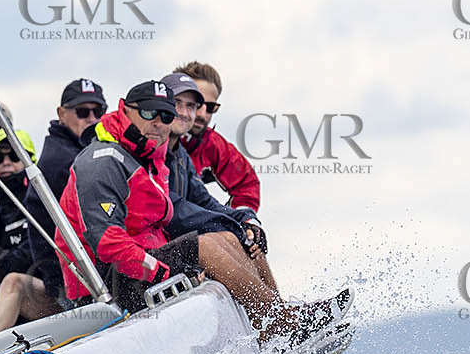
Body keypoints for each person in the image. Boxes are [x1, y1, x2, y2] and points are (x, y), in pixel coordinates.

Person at [55, 81, 301, 338]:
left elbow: (191, 208)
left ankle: (278, 327)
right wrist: (166, 272)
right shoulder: (103, 161)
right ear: (126, 110)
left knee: (231, 237)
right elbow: (108, 243)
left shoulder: (149, 160)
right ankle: (282, 325)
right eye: (148, 113)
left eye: (165, 116)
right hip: (104, 287)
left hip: (139, 266)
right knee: (203, 246)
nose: (158, 123)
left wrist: (244, 222)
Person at [159, 72, 271, 279]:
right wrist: (230, 225)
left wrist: (248, 222)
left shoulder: (199, 148)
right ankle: (277, 311)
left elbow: (242, 186)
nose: (200, 113)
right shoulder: (151, 143)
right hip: (157, 244)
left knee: (247, 242)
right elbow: (172, 207)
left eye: (207, 107)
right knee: (222, 239)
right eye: (178, 103)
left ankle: (279, 309)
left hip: (187, 231)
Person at [0, 128, 63, 336]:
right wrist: (6, 262)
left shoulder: (42, 202)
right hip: (14, 307)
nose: (6, 162)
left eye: (15, 155)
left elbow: (37, 257)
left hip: (63, 302)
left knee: (14, 281)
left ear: (29, 161)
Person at [24, 78, 105, 306]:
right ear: (61, 113)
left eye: (98, 111)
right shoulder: (63, 160)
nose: (92, 118)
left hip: (85, 271)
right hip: (76, 281)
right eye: (82, 111)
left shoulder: (86, 151)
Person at [174, 60, 261, 211]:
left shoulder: (214, 145)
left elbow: (247, 185)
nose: (202, 114)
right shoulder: (151, 131)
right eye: (196, 104)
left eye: (210, 107)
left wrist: (242, 223)